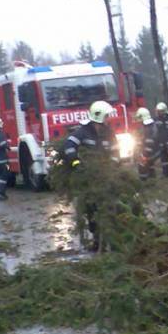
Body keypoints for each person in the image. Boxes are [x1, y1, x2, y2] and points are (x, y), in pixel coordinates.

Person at [63, 100, 119, 249]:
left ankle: (112, 239)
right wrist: (76, 163)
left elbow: (116, 151)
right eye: (107, 116)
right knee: (92, 208)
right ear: (99, 116)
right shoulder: (82, 132)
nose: (109, 119)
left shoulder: (109, 133)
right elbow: (69, 146)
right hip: (88, 177)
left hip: (106, 175)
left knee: (109, 205)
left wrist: (113, 165)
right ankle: (97, 240)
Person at [134, 107, 159, 181]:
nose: (139, 120)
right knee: (150, 165)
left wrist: (143, 154)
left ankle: (144, 180)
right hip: (151, 152)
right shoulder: (151, 126)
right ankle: (152, 179)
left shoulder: (147, 128)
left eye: (139, 118)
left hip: (147, 152)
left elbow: (148, 142)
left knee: (143, 165)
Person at [154, 102, 168, 177]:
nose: (159, 113)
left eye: (160, 111)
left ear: (164, 110)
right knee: (164, 160)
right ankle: (166, 173)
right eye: (158, 111)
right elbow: (156, 132)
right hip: (161, 142)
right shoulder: (156, 120)